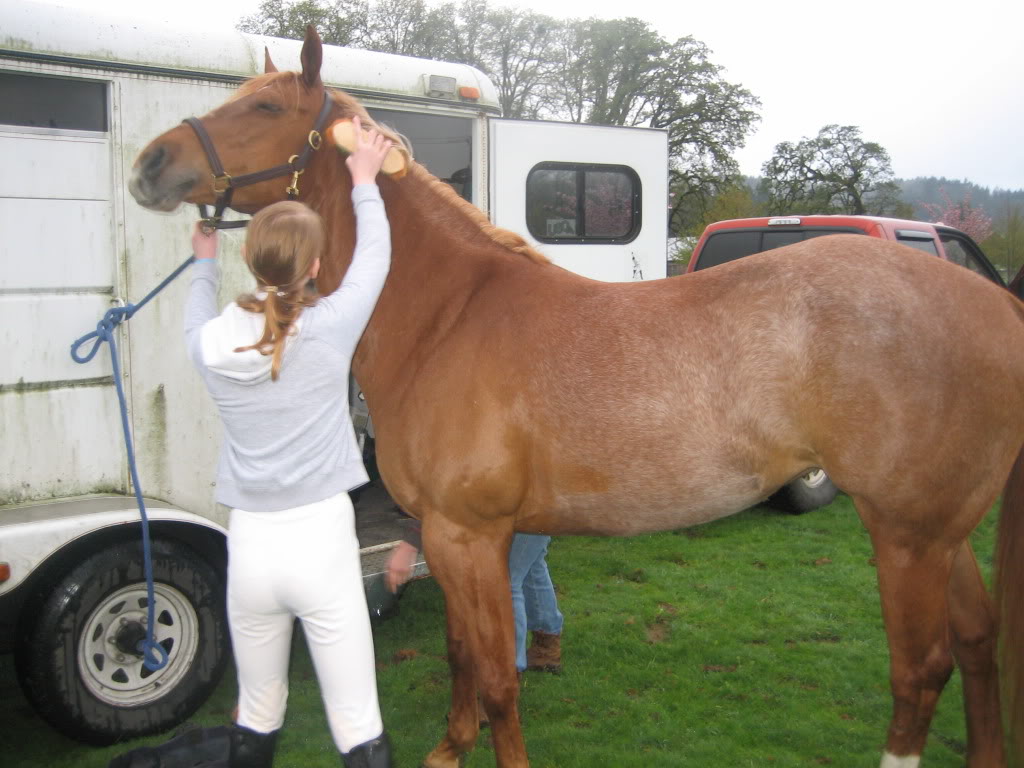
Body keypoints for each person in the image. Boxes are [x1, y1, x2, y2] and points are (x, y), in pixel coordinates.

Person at [186, 117, 394, 768]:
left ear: (249, 261)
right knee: (357, 726)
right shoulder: (330, 326)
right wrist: (364, 181)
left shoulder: (208, 343)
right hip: (322, 546)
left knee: (256, 716)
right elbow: (376, 259)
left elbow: (197, 310)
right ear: (314, 267)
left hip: (249, 548)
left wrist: (201, 263)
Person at [387, 531, 563, 676]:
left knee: (505, 580)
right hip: (539, 503)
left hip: (528, 504)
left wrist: (410, 544)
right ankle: (546, 648)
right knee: (530, 563)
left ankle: (504, 676)